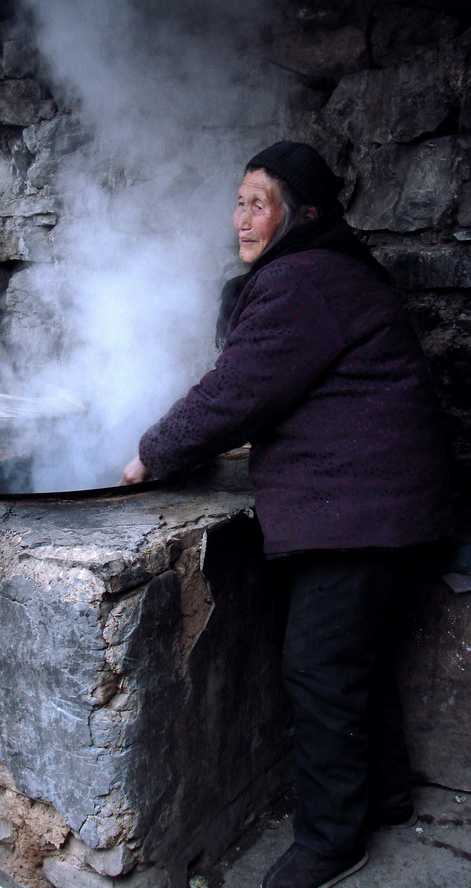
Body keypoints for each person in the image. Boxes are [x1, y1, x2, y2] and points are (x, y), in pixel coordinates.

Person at [120, 141, 453, 888]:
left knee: (321, 667)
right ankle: (388, 796)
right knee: (353, 661)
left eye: (259, 203)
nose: (242, 218)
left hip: (361, 507)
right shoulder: (327, 271)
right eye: (238, 201)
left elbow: (235, 391)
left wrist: (152, 452)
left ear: (302, 214)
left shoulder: (302, 279)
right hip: (383, 501)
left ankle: (333, 840)